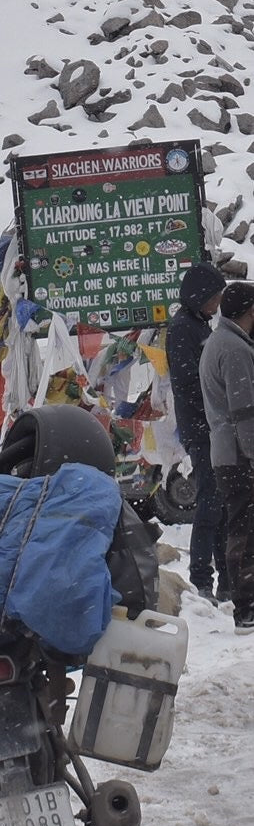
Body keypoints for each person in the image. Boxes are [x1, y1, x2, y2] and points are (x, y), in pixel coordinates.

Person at [166, 261, 229, 603]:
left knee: (219, 502)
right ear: (199, 296)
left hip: (213, 424)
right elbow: (188, 382)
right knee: (210, 500)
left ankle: (226, 579)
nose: (216, 304)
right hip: (200, 426)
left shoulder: (201, 326)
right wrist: (218, 396)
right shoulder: (182, 329)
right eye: (213, 297)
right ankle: (202, 577)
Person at [199, 281, 254, 635]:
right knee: (244, 530)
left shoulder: (221, 341)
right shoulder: (233, 349)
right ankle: (246, 608)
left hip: (227, 450)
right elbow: (244, 411)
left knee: (242, 526)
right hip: (239, 452)